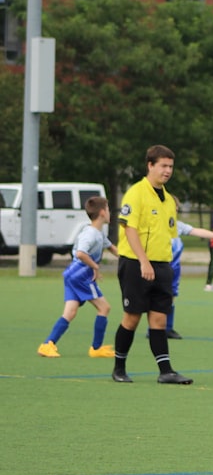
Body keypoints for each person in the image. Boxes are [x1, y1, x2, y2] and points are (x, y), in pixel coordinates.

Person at [110, 144, 193, 385]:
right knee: (132, 317)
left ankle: (166, 371)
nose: (167, 171)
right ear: (150, 166)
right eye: (163, 166)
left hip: (162, 266)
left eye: (170, 167)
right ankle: (119, 368)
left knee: (159, 320)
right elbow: (130, 229)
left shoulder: (168, 199)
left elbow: (168, 234)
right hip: (136, 264)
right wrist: (144, 262)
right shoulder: (136, 193)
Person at [38, 196, 118, 358]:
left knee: (70, 312)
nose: (110, 213)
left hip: (72, 274)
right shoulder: (91, 234)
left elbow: (113, 249)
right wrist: (95, 266)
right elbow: (81, 253)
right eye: (108, 209)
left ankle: (47, 344)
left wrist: (135, 259)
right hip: (81, 275)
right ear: (102, 212)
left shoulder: (98, 233)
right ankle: (96, 348)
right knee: (104, 308)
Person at [162, 199, 213, 339]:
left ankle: (167, 328)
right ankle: (154, 327)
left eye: (177, 208)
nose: (175, 210)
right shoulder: (157, 224)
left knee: (171, 296)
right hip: (160, 266)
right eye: (173, 207)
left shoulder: (177, 225)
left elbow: (197, 231)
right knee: (157, 297)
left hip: (174, 268)